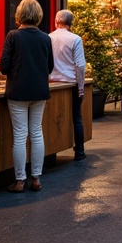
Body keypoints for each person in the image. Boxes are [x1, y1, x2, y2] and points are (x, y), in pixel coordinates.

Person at [0, 0, 54, 193]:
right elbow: (50, 67)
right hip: (39, 91)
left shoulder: (13, 36)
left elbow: (4, 66)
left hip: (18, 91)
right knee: (37, 133)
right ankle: (37, 178)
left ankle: (20, 180)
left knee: (20, 135)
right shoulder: (46, 38)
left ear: (19, 14)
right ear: (38, 15)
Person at [48, 9, 87, 161]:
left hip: (52, 82)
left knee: (51, 118)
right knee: (76, 117)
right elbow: (80, 65)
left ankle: (50, 153)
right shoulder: (75, 39)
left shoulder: (48, 38)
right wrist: (81, 87)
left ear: (56, 21)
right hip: (71, 83)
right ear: (71, 23)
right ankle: (79, 151)